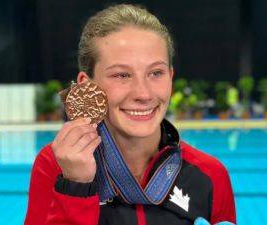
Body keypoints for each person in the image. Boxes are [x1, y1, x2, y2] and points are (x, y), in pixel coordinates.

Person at [24, 4, 236, 225]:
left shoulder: (210, 175)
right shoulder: (56, 165)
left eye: (156, 73)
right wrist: (76, 186)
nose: (143, 94)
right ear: (87, 86)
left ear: (170, 77)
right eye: (122, 75)